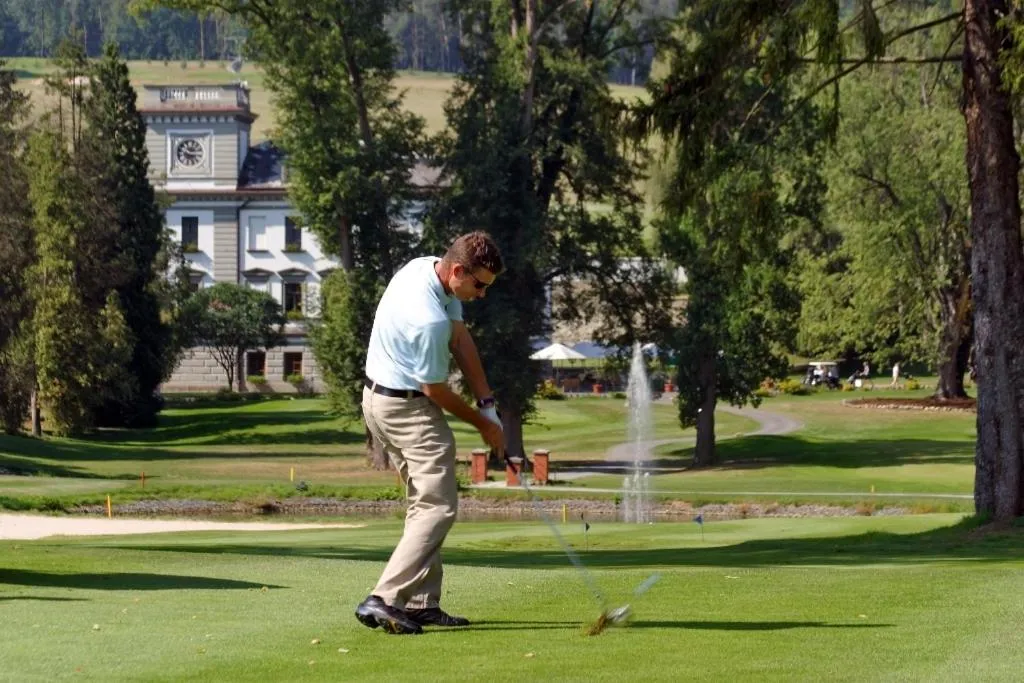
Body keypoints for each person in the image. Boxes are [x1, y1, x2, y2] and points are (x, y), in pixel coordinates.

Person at [355, 231, 506, 636]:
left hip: (377, 401)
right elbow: (435, 390)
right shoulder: (429, 320)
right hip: (406, 407)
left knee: (423, 504)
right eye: (478, 285)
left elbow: (462, 338)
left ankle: (422, 603)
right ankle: (385, 598)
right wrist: (485, 426)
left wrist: (486, 399)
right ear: (458, 271)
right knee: (438, 507)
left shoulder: (425, 268)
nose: (482, 295)